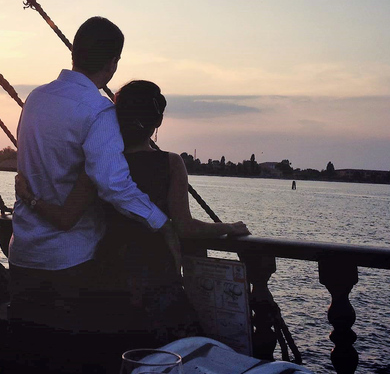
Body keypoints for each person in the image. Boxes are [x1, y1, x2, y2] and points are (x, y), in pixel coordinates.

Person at [17, 80, 251, 344]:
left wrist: (29, 197)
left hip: (107, 278)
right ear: (157, 123)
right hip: (158, 279)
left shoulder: (99, 166)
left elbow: (65, 217)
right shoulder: (171, 164)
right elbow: (185, 227)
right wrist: (227, 227)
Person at [8, 17, 175, 369]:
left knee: (26, 360)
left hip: (22, 254)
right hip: (69, 262)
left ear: (74, 52)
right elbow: (112, 182)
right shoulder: (99, 110)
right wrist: (160, 221)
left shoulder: (36, 98)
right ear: (113, 63)